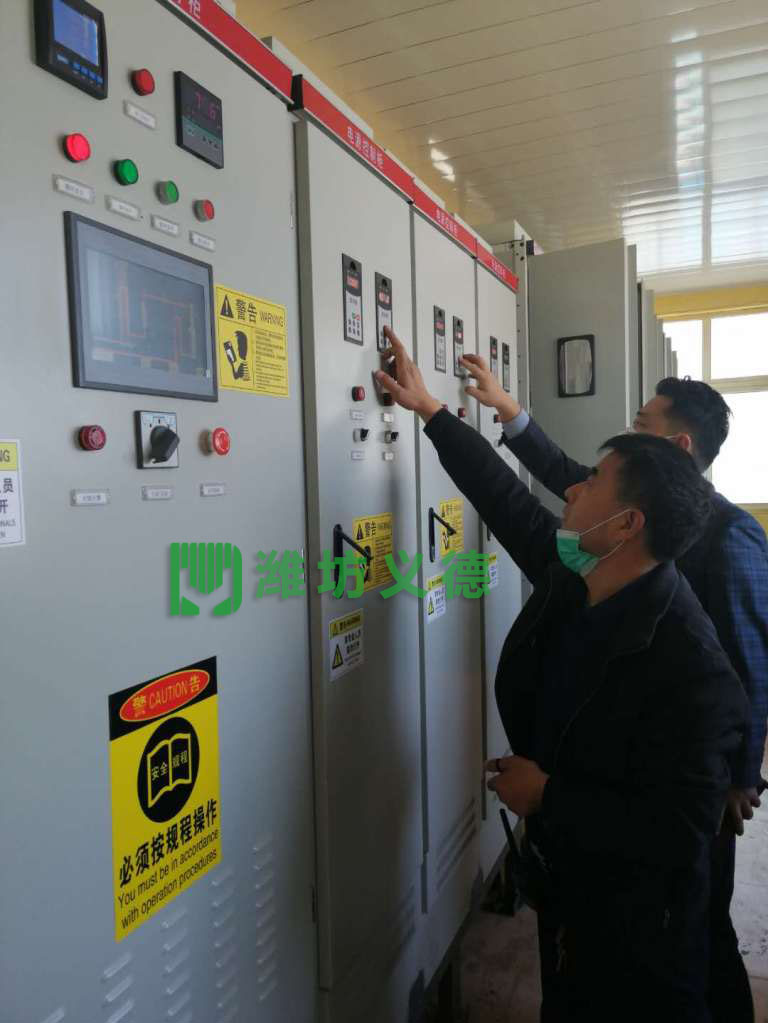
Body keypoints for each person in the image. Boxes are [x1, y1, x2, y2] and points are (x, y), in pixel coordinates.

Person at [376, 328, 748, 1023]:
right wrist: (430, 411)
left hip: (640, 938)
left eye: (593, 482)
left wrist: (548, 794)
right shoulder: (583, 579)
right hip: (573, 890)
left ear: (626, 525)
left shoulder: (694, 670)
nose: (572, 487)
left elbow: (673, 833)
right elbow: (506, 501)